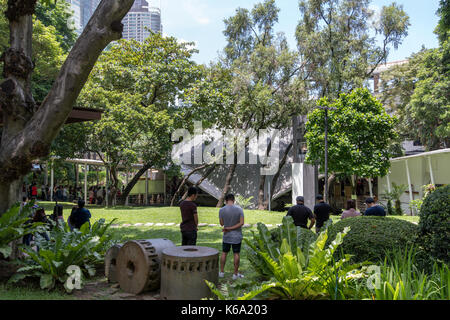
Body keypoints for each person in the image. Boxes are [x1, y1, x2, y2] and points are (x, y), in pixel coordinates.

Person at [218, 194, 245, 280]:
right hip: (236, 236)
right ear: (233, 200)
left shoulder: (221, 210)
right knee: (236, 254)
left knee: (224, 253)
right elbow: (241, 223)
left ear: (226, 200)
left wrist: (228, 227)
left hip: (226, 236)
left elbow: (222, 224)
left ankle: (221, 272)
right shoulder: (239, 209)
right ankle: (235, 274)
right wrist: (231, 227)